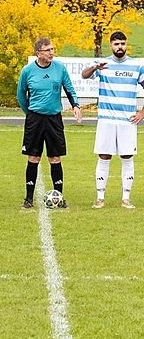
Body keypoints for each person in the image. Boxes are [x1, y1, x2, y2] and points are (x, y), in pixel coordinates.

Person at [81, 31, 144, 209]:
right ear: (111, 45)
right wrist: (94, 68)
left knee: (127, 156)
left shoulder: (137, 66)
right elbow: (84, 75)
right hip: (106, 120)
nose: (120, 47)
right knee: (104, 156)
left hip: (127, 121)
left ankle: (126, 198)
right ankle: (100, 197)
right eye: (116, 44)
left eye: (123, 43)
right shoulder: (103, 64)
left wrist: (142, 113)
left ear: (126, 44)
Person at [17, 37, 82, 209]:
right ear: (38, 53)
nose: (52, 52)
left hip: (54, 119)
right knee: (33, 157)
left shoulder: (60, 69)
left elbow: (69, 89)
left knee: (55, 157)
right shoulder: (28, 71)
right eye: (48, 50)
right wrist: (30, 113)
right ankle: (29, 198)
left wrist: (75, 105)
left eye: (53, 49)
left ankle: (59, 197)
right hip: (35, 119)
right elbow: (21, 95)